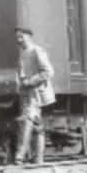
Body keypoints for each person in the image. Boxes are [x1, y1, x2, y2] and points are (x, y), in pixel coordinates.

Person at [14, 27, 55, 164]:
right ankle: (38, 159)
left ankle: (19, 156)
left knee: (27, 121)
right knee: (37, 126)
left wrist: (30, 82)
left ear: (28, 36)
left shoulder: (37, 51)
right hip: (26, 94)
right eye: (17, 37)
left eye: (21, 37)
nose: (18, 40)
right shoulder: (23, 54)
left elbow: (48, 72)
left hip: (36, 93)